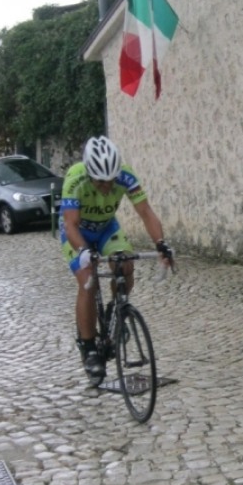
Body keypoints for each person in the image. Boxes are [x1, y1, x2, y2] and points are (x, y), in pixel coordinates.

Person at [60, 136, 174, 379]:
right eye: (101, 182)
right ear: (90, 173)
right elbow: (70, 224)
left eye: (111, 180)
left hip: (106, 229)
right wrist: (84, 251)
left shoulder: (126, 176)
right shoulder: (75, 178)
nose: (107, 187)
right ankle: (89, 348)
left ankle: (115, 311)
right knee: (88, 280)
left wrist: (161, 244)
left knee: (125, 263)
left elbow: (146, 212)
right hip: (78, 233)